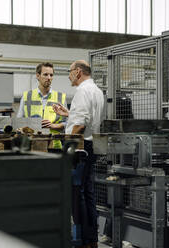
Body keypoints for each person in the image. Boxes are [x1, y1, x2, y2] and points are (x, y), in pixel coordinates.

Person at [53, 60, 104, 248]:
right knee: (88, 193)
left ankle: (81, 240)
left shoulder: (82, 91)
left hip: (80, 148)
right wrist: (69, 114)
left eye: (69, 72)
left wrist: (69, 144)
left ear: (78, 72)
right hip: (92, 146)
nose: (68, 76)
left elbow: (81, 124)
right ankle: (92, 240)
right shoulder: (97, 91)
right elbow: (86, 117)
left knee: (77, 194)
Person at [17, 62, 67, 149]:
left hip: (54, 146)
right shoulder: (27, 96)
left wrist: (53, 126)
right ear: (38, 76)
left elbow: (67, 123)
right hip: (31, 145)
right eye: (45, 75)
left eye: (51, 75)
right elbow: (19, 123)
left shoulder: (60, 97)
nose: (49, 78)